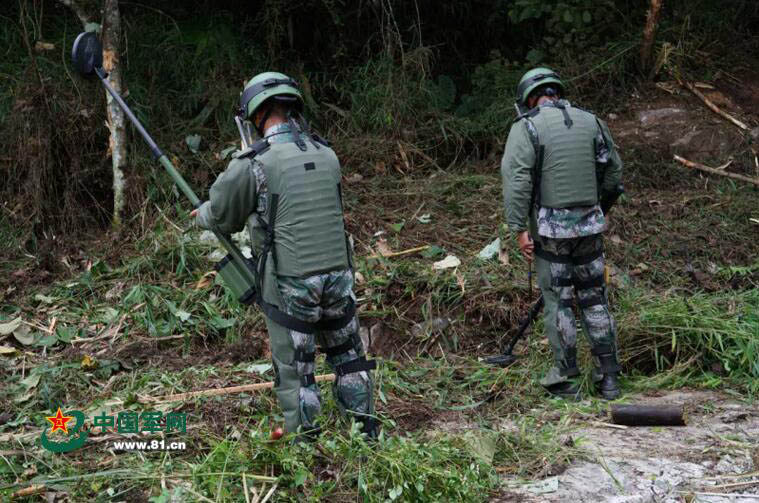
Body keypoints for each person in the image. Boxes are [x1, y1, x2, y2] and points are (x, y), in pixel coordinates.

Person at [191, 72, 377, 437]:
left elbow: (222, 215)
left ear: (256, 116)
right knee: (349, 357)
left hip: (292, 284)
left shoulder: (254, 162)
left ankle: (305, 447)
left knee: (297, 370)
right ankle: (366, 433)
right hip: (340, 276)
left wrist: (202, 214)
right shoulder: (327, 154)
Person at [500, 67, 624, 400]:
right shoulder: (591, 121)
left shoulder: (526, 127)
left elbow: (517, 182)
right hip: (590, 229)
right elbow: (613, 173)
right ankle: (609, 379)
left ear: (528, 98)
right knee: (595, 299)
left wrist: (518, 230)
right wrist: (597, 211)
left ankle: (566, 381)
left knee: (560, 302)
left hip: (550, 233)